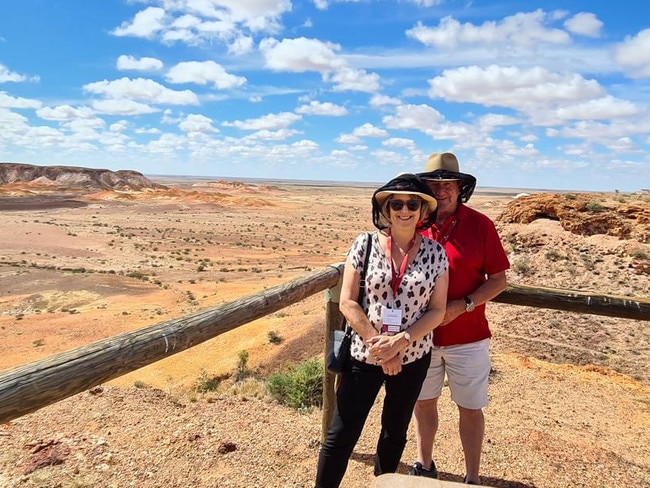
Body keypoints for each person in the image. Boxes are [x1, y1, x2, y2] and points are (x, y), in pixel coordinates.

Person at [315, 173, 449, 488]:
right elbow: (348, 302)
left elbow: (438, 310)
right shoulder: (364, 243)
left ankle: (384, 484)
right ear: (386, 210)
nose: (405, 209)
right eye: (397, 203)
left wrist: (400, 342)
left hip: (412, 357)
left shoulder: (435, 253)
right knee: (341, 434)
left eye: (412, 203)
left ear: (422, 210)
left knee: (394, 432)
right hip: (364, 355)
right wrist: (381, 347)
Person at [407, 153, 510, 485]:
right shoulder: (414, 224)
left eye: (447, 184)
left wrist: (463, 305)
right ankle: (424, 465)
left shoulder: (481, 225)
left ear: (460, 187)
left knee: (470, 408)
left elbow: (498, 280)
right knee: (423, 403)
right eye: (433, 184)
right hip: (421, 337)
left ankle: (472, 477)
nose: (441, 191)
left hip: (469, 337)